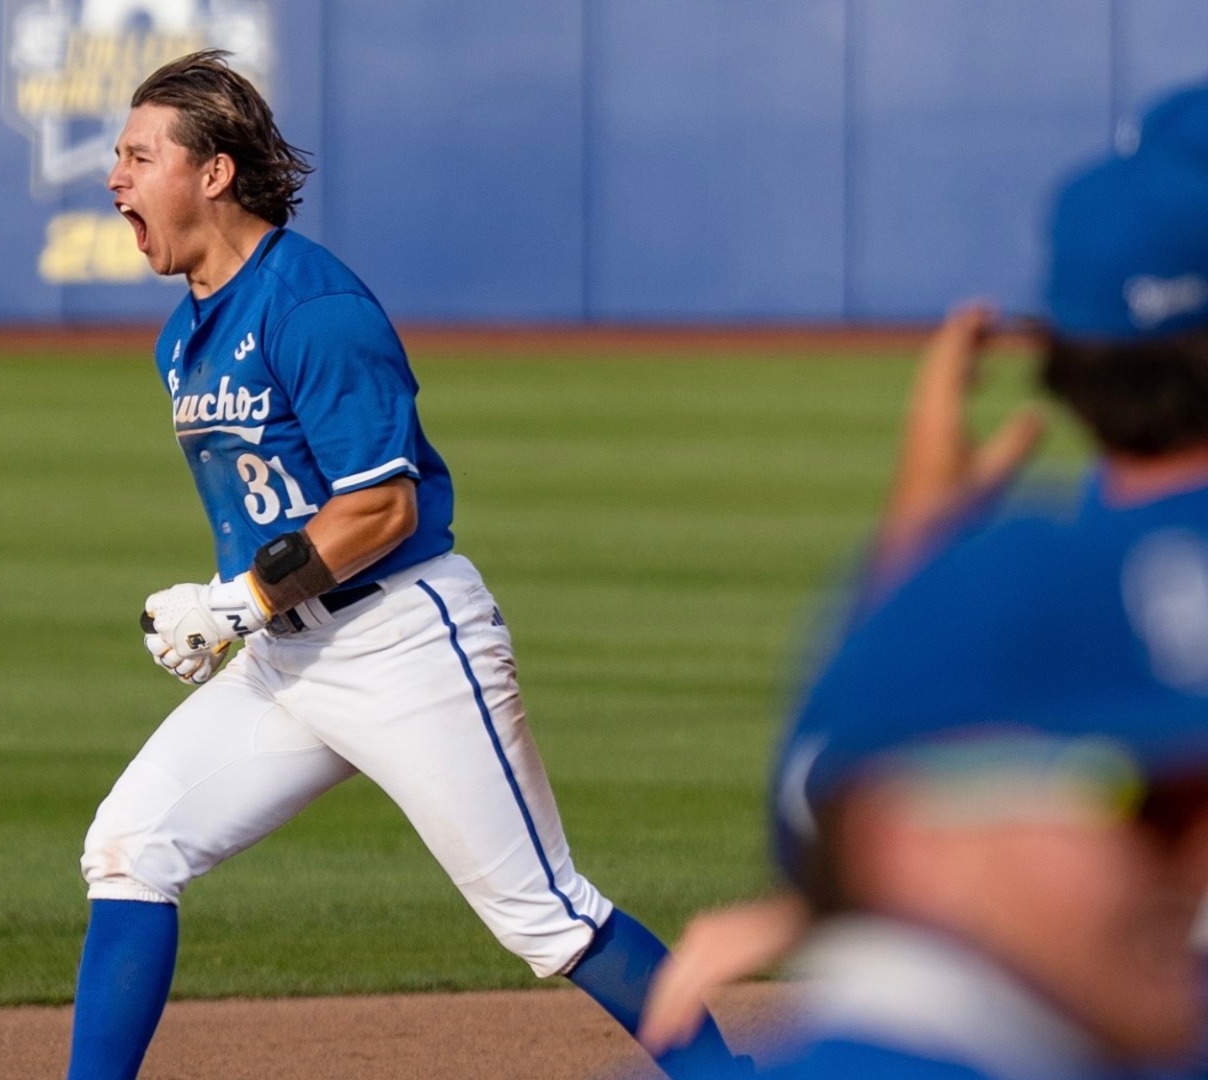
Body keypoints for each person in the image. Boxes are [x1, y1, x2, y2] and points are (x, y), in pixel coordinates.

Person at [64, 50, 745, 1080]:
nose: (115, 178)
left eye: (138, 156)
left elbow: (384, 505)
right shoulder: (188, 335)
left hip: (404, 641)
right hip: (290, 656)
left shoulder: (310, 305)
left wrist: (239, 600)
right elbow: (276, 505)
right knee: (130, 846)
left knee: (545, 915)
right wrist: (239, 602)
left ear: (212, 173)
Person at [639, 105, 1208, 1079]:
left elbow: (842, 785)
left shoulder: (1014, 587)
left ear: (1060, 361)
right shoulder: (1062, 580)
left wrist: (924, 550)